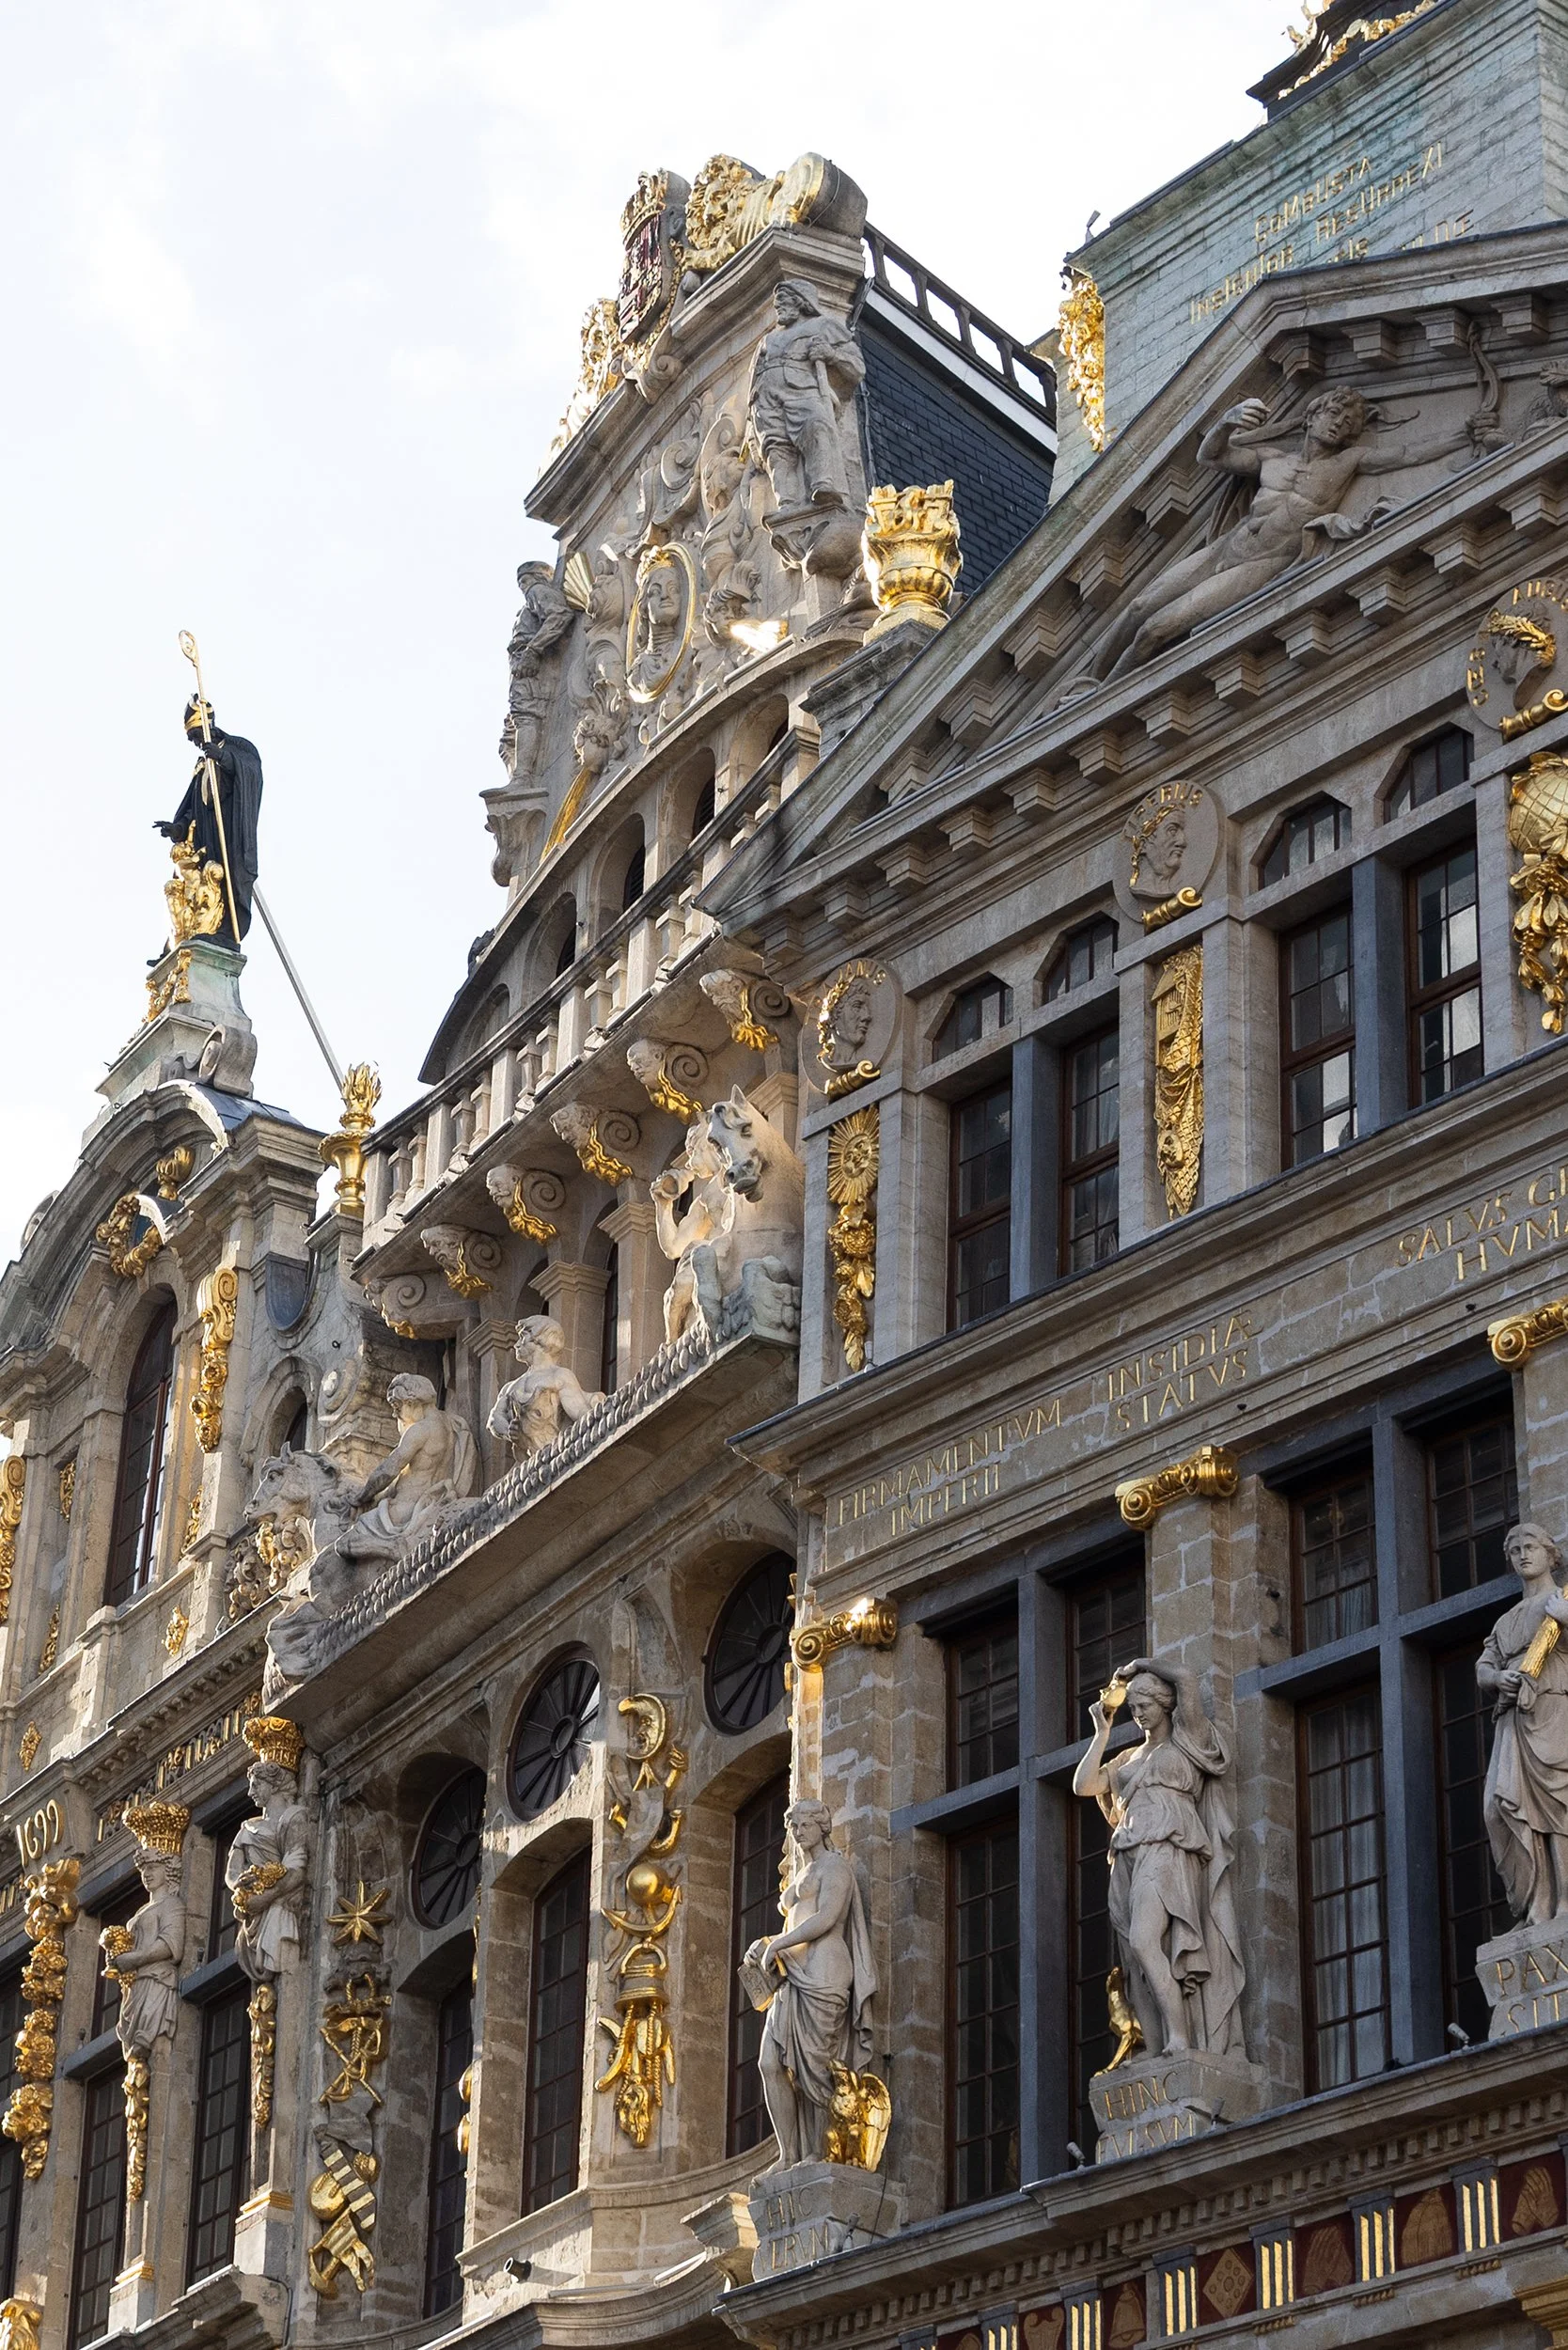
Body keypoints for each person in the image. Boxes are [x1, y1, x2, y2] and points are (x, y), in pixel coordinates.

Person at [1095, 382, 1501, 679]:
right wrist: (1225, 422)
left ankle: (1105, 703)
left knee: (1155, 629)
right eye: (1332, 416)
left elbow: (1408, 453)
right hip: (1224, 550)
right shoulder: (1272, 458)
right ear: (1311, 416)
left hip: (1260, 565)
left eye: (1347, 424)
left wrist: (1463, 434)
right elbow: (1212, 456)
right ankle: (1088, 687)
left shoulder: (1347, 462)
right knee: (1137, 607)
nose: (1338, 426)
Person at [1073, 1658, 1246, 2059]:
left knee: (1145, 1940)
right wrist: (1101, 1731)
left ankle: (1181, 2038)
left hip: (1167, 1849)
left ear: (1164, 1705)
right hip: (1128, 1854)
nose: (1138, 1714)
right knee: (1135, 1956)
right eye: (1133, 1709)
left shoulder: (1188, 1743)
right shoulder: (1128, 1760)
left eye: (1144, 1706)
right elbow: (1084, 1784)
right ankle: (1154, 2043)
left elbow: (1187, 1677)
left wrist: (1141, 1666)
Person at [747, 1797, 877, 2169]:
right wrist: (765, 1947)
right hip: (794, 1974)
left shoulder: (835, 1867)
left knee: (818, 2066)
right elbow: (796, 1925)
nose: (798, 1831)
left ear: (822, 1826)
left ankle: (822, 2153)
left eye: (804, 1824)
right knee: (770, 2063)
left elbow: (826, 1918)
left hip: (826, 1970)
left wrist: (779, 1943)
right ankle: (789, 2153)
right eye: (793, 1826)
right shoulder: (802, 1873)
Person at [1479, 1522, 1568, 1922]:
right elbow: (1485, 1666)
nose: (1523, 1555)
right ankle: (1536, 1903)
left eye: (1531, 1546)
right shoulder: (1506, 1621)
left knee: (1560, 1805)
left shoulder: (1563, 1601)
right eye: (1515, 1551)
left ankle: (1563, 1901)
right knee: (1499, 1808)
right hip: (1513, 1716)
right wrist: (1499, 1678)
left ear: (1551, 1554)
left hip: (1554, 1709)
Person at [747, 280, 865, 515]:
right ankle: (787, 503)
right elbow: (753, 376)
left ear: (800, 302)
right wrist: (751, 427)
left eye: (783, 302)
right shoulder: (767, 340)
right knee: (775, 447)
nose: (777, 307)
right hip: (765, 397)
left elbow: (857, 367)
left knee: (817, 426)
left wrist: (831, 354)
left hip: (802, 389)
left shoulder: (824, 326)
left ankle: (823, 484)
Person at [156, 698, 263, 946]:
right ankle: (184, 937)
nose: (194, 742)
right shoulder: (202, 764)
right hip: (207, 837)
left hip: (229, 832)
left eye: (195, 735)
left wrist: (224, 758)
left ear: (207, 727)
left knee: (227, 880)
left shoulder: (238, 747)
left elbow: (250, 773)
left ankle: (226, 932)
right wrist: (179, 827)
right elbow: (194, 806)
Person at [487, 1317, 604, 1458]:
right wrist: (510, 1432)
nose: (516, 1345)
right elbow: (494, 1419)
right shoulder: (509, 1387)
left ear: (541, 1339)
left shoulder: (559, 1376)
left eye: (523, 1337)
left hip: (553, 1455)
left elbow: (580, 1413)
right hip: (527, 1462)